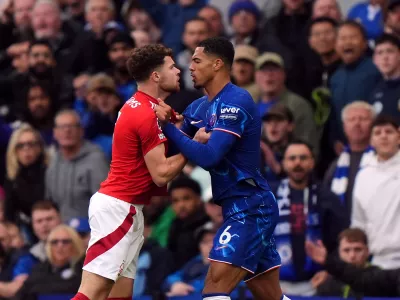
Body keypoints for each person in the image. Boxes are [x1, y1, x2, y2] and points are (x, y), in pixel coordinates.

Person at [155, 37, 288, 300]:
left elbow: (210, 157)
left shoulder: (236, 101)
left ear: (217, 64)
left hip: (250, 206)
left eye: (196, 61)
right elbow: (174, 151)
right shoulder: (198, 107)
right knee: (270, 296)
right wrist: (164, 124)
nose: (189, 67)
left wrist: (170, 128)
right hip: (238, 205)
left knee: (215, 286)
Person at [71, 44, 197, 300]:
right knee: (93, 292)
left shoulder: (147, 106)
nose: (178, 71)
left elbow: (183, 124)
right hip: (118, 209)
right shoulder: (146, 115)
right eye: (172, 66)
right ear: (156, 75)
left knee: (121, 293)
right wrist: (193, 148)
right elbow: (161, 174)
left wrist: (185, 129)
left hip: (128, 208)